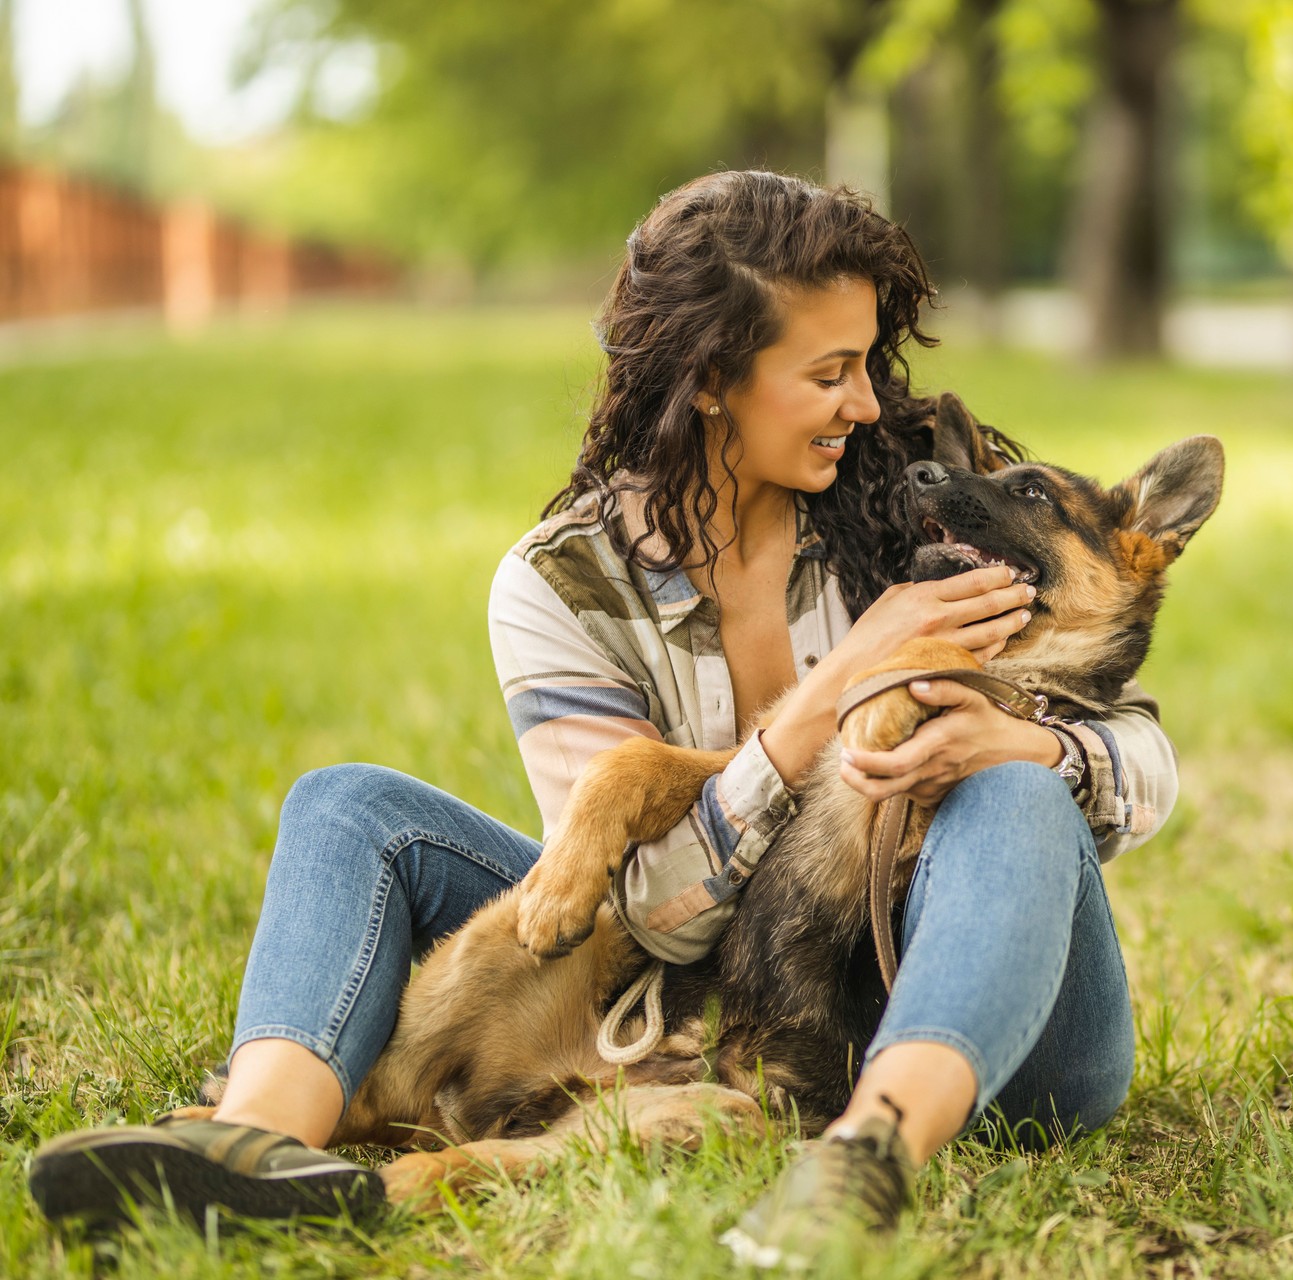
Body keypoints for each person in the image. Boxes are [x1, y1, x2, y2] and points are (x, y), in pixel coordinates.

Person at [30, 170, 1178, 1263]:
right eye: (831, 370)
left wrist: (1037, 743)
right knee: (349, 806)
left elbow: (1136, 734)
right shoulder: (563, 583)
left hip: (956, 1014)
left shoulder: (910, 510)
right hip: (697, 971)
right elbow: (648, 911)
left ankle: (868, 1150)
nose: (869, 403)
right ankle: (258, 1142)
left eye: (868, 361)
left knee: (1017, 788)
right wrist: (833, 689)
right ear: (713, 378)